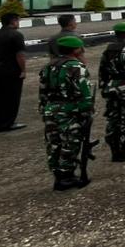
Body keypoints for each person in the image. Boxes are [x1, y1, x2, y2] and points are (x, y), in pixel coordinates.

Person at [37, 35, 94, 191]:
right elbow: (84, 93)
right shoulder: (76, 67)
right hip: (70, 110)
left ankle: (58, 175)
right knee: (70, 143)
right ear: (76, 50)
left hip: (51, 110)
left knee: (54, 144)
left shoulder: (48, 67)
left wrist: (44, 110)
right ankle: (66, 177)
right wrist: (86, 113)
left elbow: (42, 92)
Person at [98, 21, 125, 161]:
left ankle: (114, 148)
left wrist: (104, 86)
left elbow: (102, 71)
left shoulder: (109, 49)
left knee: (113, 118)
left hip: (112, 87)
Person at [0, 11, 28, 132]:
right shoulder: (16, 35)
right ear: (13, 21)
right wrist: (23, 70)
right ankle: (8, 123)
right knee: (12, 98)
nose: (19, 23)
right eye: (18, 20)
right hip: (11, 71)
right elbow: (20, 55)